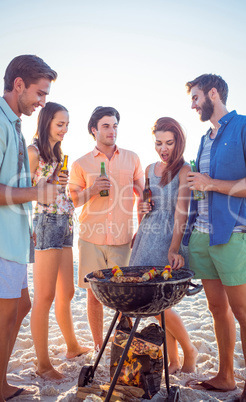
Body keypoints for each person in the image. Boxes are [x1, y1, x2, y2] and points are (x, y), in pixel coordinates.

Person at [184, 74, 246, 397]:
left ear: (213, 94)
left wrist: (212, 185)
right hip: (203, 237)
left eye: (195, 97)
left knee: (243, 312)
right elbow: (199, 188)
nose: (192, 105)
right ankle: (225, 376)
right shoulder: (205, 139)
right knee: (217, 310)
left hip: (236, 232)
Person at [0, 55, 58, 402]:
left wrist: (27, 218)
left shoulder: (15, 125)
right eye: (40, 93)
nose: (42, 102)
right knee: (7, 312)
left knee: (21, 308)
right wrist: (38, 192)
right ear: (18, 84)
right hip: (2, 241)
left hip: (15, 237)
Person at [69, 106, 144, 350]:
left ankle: (123, 344)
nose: (112, 131)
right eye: (106, 126)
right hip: (91, 238)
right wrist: (91, 190)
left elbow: (143, 196)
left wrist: (141, 229)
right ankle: (99, 345)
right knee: (94, 294)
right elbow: (72, 201)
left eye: (114, 126)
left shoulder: (132, 158)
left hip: (122, 238)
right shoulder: (81, 163)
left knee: (125, 295)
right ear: (94, 130)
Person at [129, 117, 198, 374]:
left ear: (178, 141)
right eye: (159, 143)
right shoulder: (148, 169)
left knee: (160, 301)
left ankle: (189, 349)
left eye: (169, 142)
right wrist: (142, 209)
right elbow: (145, 203)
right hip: (146, 236)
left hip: (168, 237)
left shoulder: (184, 169)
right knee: (155, 304)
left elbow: (182, 212)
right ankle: (174, 360)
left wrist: (174, 248)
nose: (163, 148)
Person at [27, 102, 89, 381]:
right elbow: (28, 192)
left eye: (66, 125)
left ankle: (72, 347)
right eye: (59, 124)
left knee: (67, 293)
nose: (64, 130)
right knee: (44, 297)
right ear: (46, 122)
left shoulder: (58, 153)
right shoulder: (33, 151)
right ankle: (42, 364)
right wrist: (52, 178)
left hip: (66, 222)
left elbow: (59, 192)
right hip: (47, 223)